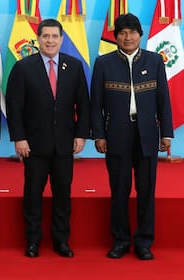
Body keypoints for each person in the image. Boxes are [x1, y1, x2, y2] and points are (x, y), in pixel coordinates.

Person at [91, 13, 173, 261]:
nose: (128, 37)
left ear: (140, 35)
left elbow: (164, 101)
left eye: (132, 32)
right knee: (119, 191)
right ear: (116, 36)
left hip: (147, 135)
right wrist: (99, 135)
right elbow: (96, 104)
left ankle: (144, 242)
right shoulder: (103, 63)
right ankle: (120, 241)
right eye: (123, 33)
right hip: (116, 135)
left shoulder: (155, 61)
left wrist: (166, 133)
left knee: (146, 191)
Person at [6, 18, 90, 258]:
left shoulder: (74, 66)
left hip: (65, 144)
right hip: (33, 145)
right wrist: (19, 138)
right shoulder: (23, 67)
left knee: (63, 194)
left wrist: (81, 135)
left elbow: (83, 103)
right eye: (46, 36)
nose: (50, 40)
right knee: (33, 194)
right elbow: (15, 107)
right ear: (39, 39)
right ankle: (32, 241)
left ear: (61, 39)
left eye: (55, 36)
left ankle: (61, 241)